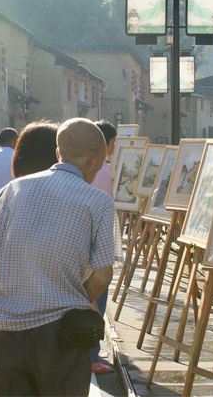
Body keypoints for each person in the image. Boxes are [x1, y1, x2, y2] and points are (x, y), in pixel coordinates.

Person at [0, 118, 115, 396]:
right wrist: (70, 296)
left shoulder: (14, 189)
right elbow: (102, 276)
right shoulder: (98, 201)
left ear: (57, 153)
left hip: (8, 329)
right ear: (95, 158)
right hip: (62, 333)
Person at [0, 120, 58, 288]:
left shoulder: (5, 193)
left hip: (10, 296)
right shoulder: (69, 194)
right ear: (56, 154)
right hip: (56, 299)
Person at [89, 119, 120, 375]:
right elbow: (102, 209)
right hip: (95, 245)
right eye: (113, 141)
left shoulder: (88, 166)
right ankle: (91, 354)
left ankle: (88, 353)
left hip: (83, 242)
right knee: (96, 297)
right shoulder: (101, 170)